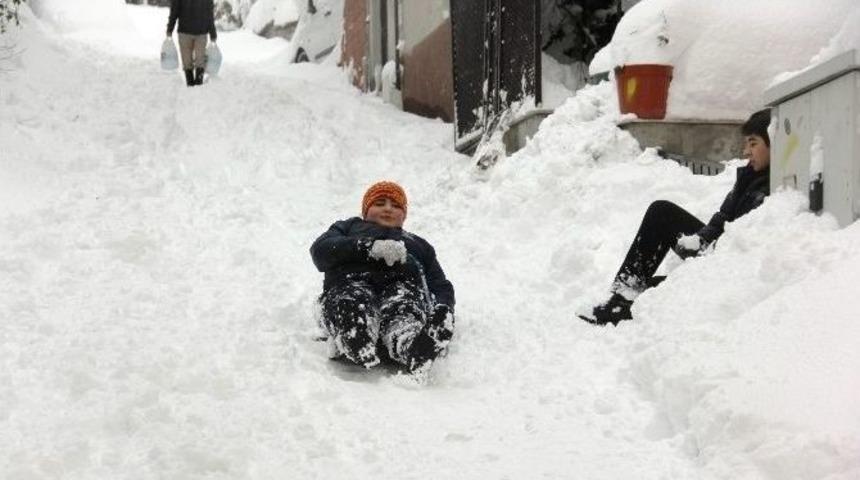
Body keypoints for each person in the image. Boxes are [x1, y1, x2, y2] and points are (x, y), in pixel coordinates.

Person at [578, 109, 772, 326]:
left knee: (654, 289)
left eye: (753, 144)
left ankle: (628, 304)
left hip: (727, 261)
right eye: (746, 144)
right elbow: (722, 218)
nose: (746, 152)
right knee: (661, 212)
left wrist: (707, 251)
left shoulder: (774, 186)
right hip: (716, 248)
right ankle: (621, 298)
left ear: (774, 143)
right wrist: (701, 239)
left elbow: (745, 243)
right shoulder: (749, 176)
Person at [310, 181, 456, 374]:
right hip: (351, 283)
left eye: (396, 206)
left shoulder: (418, 244)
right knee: (352, 298)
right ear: (365, 210)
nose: (388, 209)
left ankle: (411, 346)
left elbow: (439, 284)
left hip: (400, 290)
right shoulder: (349, 227)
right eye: (379, 203)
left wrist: (443, 308)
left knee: (404, 306)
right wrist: (368, 247)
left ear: (404, 215)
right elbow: (321, 251)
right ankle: (354, 331)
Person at [166, 0, 217, 87]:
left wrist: (170, 29)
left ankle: (191, 85)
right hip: (198, 31)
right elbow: (209, 14)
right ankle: (196, 85)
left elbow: (174, 10)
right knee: (199, 60)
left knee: (187, 61)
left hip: (187, 31)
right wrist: (213, 33)